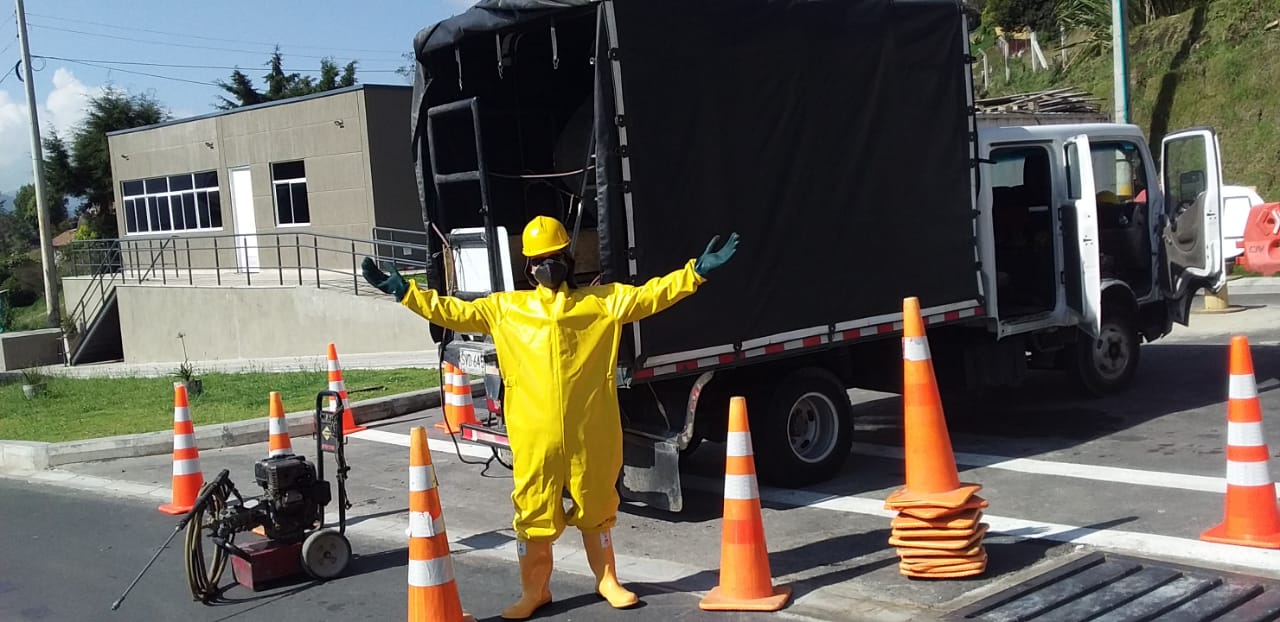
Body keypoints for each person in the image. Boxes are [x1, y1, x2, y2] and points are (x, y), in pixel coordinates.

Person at [361, 215, 739, 619]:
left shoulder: (602, 303)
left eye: (555, 257)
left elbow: (651, 295)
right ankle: (535, 591)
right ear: (529, 267)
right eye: (541, 260)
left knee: (596, 505)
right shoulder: (506, 309)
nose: (548, 266)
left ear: (568, 260)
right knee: (533, 512)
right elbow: (451, 311)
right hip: (534, 437)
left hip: (590, 433)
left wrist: (694, 273)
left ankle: (607, 579)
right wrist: (405, 291)